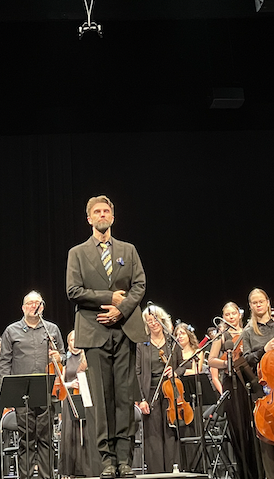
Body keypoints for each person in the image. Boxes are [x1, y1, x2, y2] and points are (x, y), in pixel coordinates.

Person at [66, 194, 147, 479]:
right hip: (94, 331)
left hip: (124, 329)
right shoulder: (77, 253)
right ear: (89, 218)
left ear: (112, 217)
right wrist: (108, 298)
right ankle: (107, 460)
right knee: (102, 400)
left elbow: (139, 285)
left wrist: (120, 309)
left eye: (106, 211)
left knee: (124, 398)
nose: (102, 215)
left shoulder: (129, 249)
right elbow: (73, 291)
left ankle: (125, 459)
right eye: (97, 212)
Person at [0, 291, 65, 479]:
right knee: (26, 440)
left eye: (37, 303)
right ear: (23, 307)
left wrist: (60, 357)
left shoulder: (51, 329)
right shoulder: (12, 331)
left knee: (46, 439)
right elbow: (4, 363)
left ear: (42, 307)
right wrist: (8, 391)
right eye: (29, 303)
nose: (33, 306)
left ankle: (47, 477)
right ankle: (25, 477)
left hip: (46, 390)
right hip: (22, 393)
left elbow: (64, 355)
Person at [239, 289, 274, 479]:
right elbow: (246, 360)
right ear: (250, 306)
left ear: (268, 303)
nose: (258, 305)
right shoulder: (249, 332)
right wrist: (264, 350)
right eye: (254, 302)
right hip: (264, 390)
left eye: (261, 301)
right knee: (268, 441)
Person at [207, 301, 258, 479]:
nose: (230, 317)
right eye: (227, 314)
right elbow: (211, 360)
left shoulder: (249, 331)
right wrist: (225, 364)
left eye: (233, 314)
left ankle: (259, 471)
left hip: (249, 380)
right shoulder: (222, 336)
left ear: (240, 315)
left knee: (254, 428)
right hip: (231, 382)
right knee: (238, 428)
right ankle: (245, 473)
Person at [134, 305, 180, 474]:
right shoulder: (141, 344)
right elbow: (136, 372)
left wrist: (175, 372)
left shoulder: (171, 342)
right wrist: (141, 399)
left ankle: (170, 470)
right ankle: (156, 473)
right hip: (150, 391)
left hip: (170, 391)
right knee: (152, 436)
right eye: (149, 321)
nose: (153, 324)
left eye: (155, 320)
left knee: (169, 432)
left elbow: (182, 366)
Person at [59, 330, 101, 479]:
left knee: (87, 433)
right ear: (68, 342)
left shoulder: (86, 358)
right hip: (70, 399)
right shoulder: (65, 360)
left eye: (77, 339)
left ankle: (88, 469)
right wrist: (70, 384)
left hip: (87, 398)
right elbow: (59, 383)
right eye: (71, 340)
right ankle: (73, 470)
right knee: (72, 435)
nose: (74, 343)